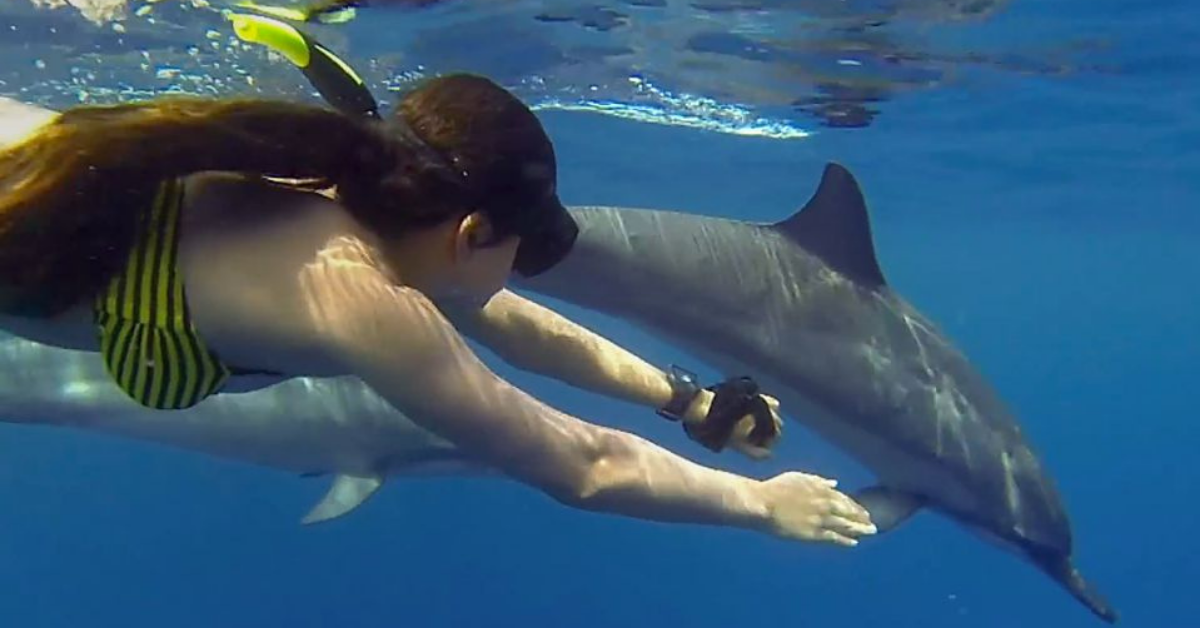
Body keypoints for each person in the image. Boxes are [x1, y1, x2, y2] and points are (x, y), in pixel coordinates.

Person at [0, 24, 875, 545]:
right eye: (524, 252)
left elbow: (499, 314)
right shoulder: (359, 305)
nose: (519, 276)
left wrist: (684, 398)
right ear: (470, 234)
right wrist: (761, 506)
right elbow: (586, 467)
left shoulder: (338, 174)